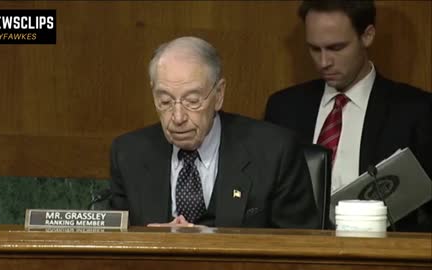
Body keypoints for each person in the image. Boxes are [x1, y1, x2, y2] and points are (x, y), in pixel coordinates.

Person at [108, 36, 320, 229]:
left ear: (218, 95)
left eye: (192, 101)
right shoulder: (128, 154)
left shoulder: (275, 151)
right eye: (165, 101)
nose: (178, 117)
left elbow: (299, 250)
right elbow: (115, 245)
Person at [264, 0, 432, 232]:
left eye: (336, 48)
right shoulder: (283, 108)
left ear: (367, 35)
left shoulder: (416, 110)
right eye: (314, 49)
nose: (324, 62)